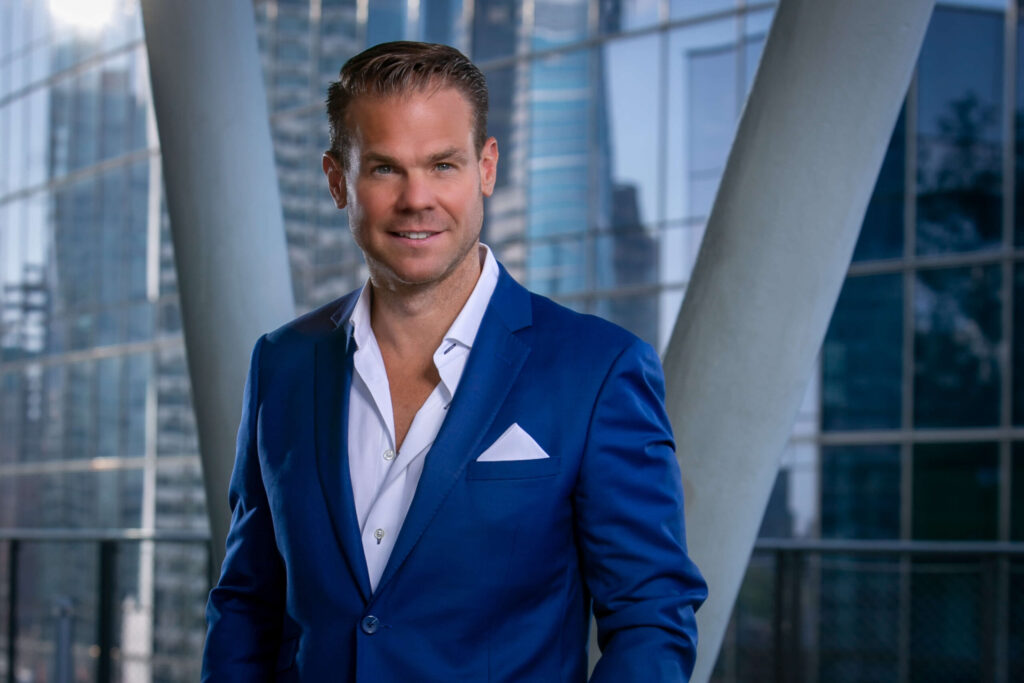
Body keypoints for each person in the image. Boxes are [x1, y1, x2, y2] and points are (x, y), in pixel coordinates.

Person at [201, 41, 706, 682]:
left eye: (443, 165)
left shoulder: (598, 371)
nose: (418, 199)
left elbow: (651, 617)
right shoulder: (282, 364)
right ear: (337, 181)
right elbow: (248, 600)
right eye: (385, 169)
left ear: (486, 168)